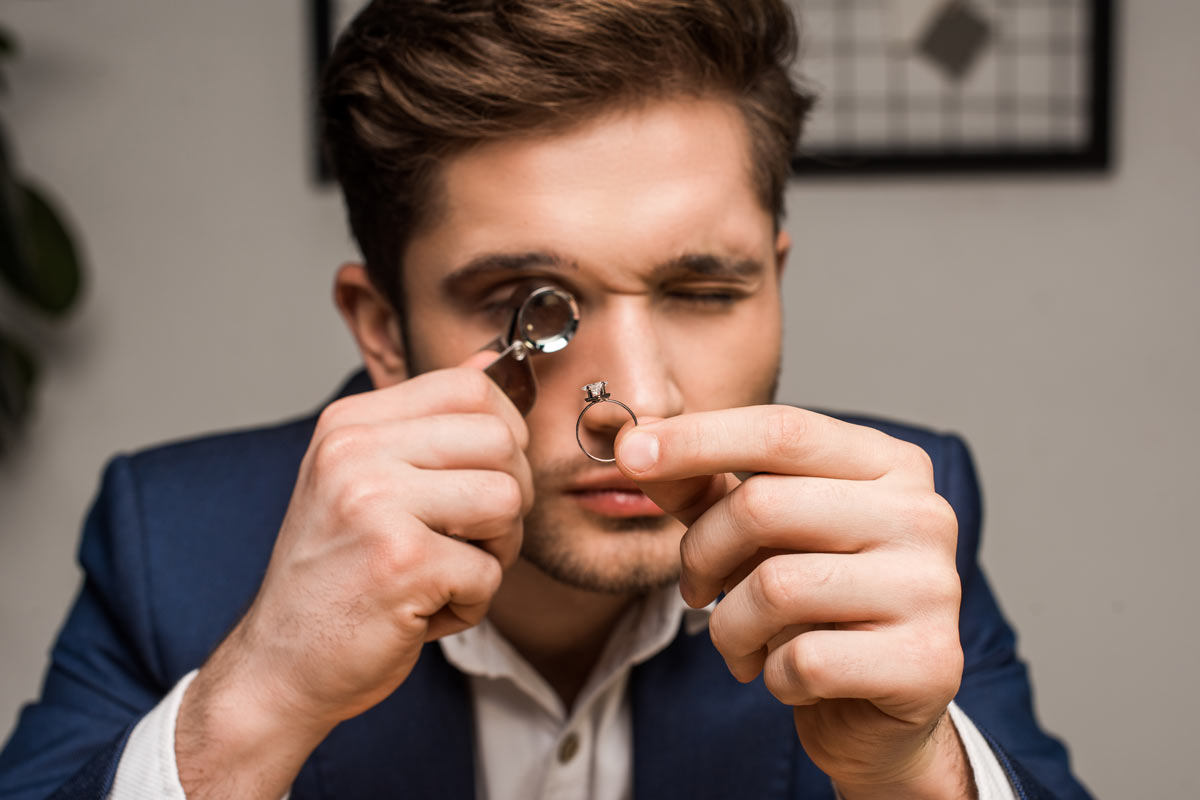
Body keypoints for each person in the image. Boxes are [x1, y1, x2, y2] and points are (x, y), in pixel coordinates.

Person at [0, 1, 1092, 798]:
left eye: (703, 290)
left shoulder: (896, 521)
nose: (635, 400)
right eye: (530, 301)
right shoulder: (174, 539)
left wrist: (915, 772)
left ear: (775, 277)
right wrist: (251, 708)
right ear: (382, 328)